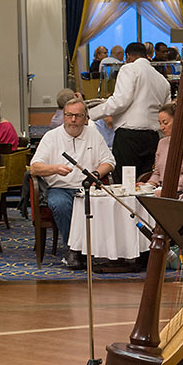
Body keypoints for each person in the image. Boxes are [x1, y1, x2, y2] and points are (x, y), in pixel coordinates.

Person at [30, 99, 115, 269]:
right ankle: (74, 249)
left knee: (103, 205)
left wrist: (96, 174)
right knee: (60, 204)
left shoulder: (93, 135)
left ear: (85, 118)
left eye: (77, 116)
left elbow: (110, 161)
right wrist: (55, 168)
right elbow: (34, 168)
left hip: (87, 188)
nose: (73, 120)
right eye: (69, 115)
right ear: (64, 117)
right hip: (60, 187)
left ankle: (93, 251)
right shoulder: (51, 136)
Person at [89, 42, 171, 183]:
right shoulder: (162, 80)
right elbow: (166, 110)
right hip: (152, 137)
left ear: (127, 56)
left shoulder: (129, 69)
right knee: (144, 182)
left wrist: (91, 114)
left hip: (129, 136)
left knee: (125, 184)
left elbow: (120, 101)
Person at [147, 102, 183, 203]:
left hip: (181, 192)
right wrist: (149, 185)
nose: (162, 127)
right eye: (160, 123)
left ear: (178, 121)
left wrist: (167, 189)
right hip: (161, 190)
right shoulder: (162, 142)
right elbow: (157, 172)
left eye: (165, 123)